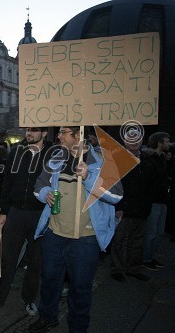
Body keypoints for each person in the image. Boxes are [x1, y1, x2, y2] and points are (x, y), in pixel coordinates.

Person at [29, 126, 123, 333]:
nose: (59, 136)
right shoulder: (56, 158)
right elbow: (39, 185)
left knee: (80, 288)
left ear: (79, 135)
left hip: (85, 239)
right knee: (50, 282)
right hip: (54, 234)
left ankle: (78, 327)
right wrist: (45, 193)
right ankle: (47, 317)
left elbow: (116, 196)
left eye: (64, 132)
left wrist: (89, 177)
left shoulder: (103, 160)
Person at [0, 127, 52, 316]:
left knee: (35, 262)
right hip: (16, 213)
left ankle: (29, 300)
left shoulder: (53, 153)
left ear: (44, 133)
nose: (29, 133)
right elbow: (7, 182)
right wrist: (3, 211)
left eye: (34, 130)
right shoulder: (17, 151)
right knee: (7, 258)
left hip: (39, 214)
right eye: (28, 129)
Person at [109, 129, 155, 282]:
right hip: (124, 207)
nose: (134, 142)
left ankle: (133, 269)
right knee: (119, 240)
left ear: (142, 140)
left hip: (142, 207)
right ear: (125, 141)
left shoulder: (148, 159)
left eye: (137, 138)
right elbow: (114, 183)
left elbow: (151, 183)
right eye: (131, 139)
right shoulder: (118, 159)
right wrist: (118, 206)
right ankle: (117, 269)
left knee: (137, 240)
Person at [142, 132, 171, 270]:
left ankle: (151, 256)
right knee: (151, 232)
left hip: (162, 199)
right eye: (166, 141)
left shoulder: (162, 158)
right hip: (153, 200)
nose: (168, 144)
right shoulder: (149, 158)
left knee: (159, 232)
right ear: (159, 143)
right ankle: (145, 258)